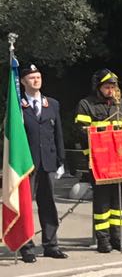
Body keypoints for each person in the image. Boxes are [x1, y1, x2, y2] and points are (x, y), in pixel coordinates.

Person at [75, 68, 122, 254]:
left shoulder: (119, 105)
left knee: (118, 200)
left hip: (118, 161)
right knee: (102, 203)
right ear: (99, 87)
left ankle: (118, 237)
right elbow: (82, 132)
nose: (111, 90)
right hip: (98, 161)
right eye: (107, 87)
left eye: (113, 87)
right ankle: (103, 239)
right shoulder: (86, 104)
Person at [17, 62, 66, 263]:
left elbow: (58, 134)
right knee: (25, 206)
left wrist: (61, 160)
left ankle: (51, 245)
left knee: (48, 205)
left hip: (48, 161)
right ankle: (26, 246)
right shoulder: (18, 106)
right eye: (31, 77)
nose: (36, 80)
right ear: (22, 81)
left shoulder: (52, 104)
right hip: (25, 163)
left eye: (38, 77)